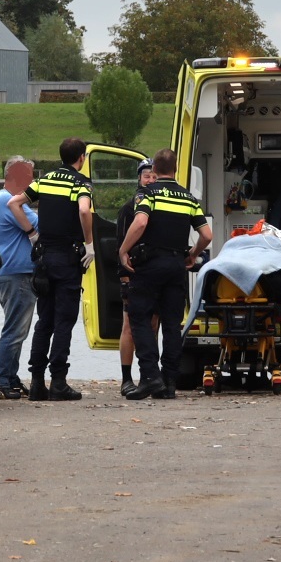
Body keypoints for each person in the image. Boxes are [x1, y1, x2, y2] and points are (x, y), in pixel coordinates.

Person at [118, 148, 211, 399]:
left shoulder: (148, 194)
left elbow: (140, 223)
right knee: (171, 324)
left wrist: (123, 250)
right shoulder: (188, 199)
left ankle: (149, 377)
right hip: (175, 266)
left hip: (149, 265)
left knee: (140, 319)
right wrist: (192, 254)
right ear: (176, 168)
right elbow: (207, 235)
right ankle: (169, 382)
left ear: (155, 170)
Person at [24, 137, 93, 401]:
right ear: (82, 158)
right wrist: (90, 244)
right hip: (67, 259)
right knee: (65, 321)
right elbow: (84, 211)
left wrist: (32, 234)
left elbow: (15, 203)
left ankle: (37, 382)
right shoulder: (80, 182)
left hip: (44, 260)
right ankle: (59, 382)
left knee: (45, 321)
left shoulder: (45, 179)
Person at [0, 156, 38, 400]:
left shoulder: (5, 198)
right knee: (15, 329)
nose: (32, 181)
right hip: (16, 274)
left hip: (11, 273)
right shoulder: (9, 200)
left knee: (18, 328)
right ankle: (2, 379)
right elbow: (40, 224)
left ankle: (10, 375)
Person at [114, 158, 160, 394]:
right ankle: (125, 378)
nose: (150, 180)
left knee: (153, 326)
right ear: (139, 179)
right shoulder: (128, 208)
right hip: (133, 274)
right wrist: (124, 279)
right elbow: (120, 244)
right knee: (129, 327)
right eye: (146, 176)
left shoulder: (162, 205)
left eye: (154, 176)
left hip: (155, 275)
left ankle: (149, 376)